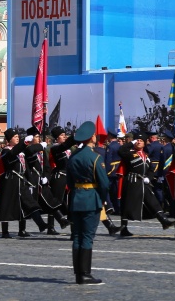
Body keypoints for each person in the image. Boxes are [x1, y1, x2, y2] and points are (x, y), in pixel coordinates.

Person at [66, 121, 109, 285]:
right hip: (91, 199)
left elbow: (69, 182)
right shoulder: (96, 157)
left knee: (77, 236)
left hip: (76, 198)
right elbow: (104, 183)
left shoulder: (73, 156)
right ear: (92, 137)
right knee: (87, 237)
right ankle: (85, 274)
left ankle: (78, 273)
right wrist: (102, 197)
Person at [118, 132, 174, 236]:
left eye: (141, 141)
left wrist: (149, 177)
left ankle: (164, 221)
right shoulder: (130, 154)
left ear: (145, 144)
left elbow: (151, 169)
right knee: (127, 205)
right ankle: (123, 228)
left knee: (153, 201)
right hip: (132, 182)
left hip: (144, 182)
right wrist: (131, 143)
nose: (139, 142)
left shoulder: (146, 155)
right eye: (137, 140)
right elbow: (120, 150)